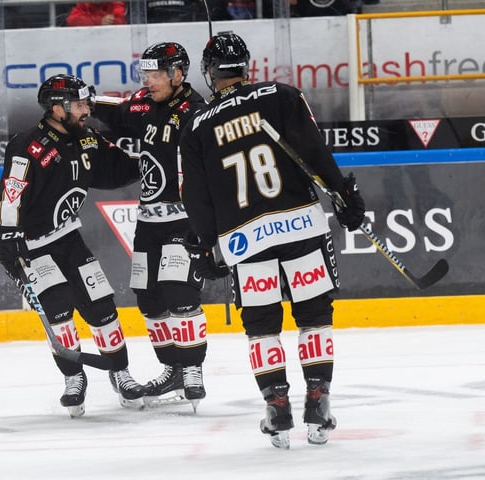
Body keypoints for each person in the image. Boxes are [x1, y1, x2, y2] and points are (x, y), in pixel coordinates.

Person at [179, 32, 366, 448]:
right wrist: (343, 195)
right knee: (315, 315)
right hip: (300, 226)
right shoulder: (281, 95)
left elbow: (195, 195)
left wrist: (208, 244)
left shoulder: (197, 125)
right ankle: (318, 401)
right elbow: (315, 152)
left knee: (262, 326)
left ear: (209, 73)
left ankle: (276, 407)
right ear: (246, 66)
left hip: (245, 241)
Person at [0, 74, 144, 417]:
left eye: (87, 103)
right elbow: (10, 195)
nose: (87, 109)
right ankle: (74, 378)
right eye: (80, 105)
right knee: (58, 310)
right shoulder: (28, 146)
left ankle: (121, 372)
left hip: (68, 236)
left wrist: (149, 162)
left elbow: (114, 169)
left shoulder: (85, 138)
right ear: (57, 109)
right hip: (34, 245)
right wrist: (7, 237)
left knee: (101, 305)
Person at [93, 42, 211, 411]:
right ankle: (173, 368)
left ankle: (192, 369)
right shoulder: (144, 103)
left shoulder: (199, 112)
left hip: (185, 218)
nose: (149, 80)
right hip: (148, 220)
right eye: (146, 74)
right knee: (149, 296)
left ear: (178, 74)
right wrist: (81, 100)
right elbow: (115, 110)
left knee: (179, 292)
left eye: (157, 74)